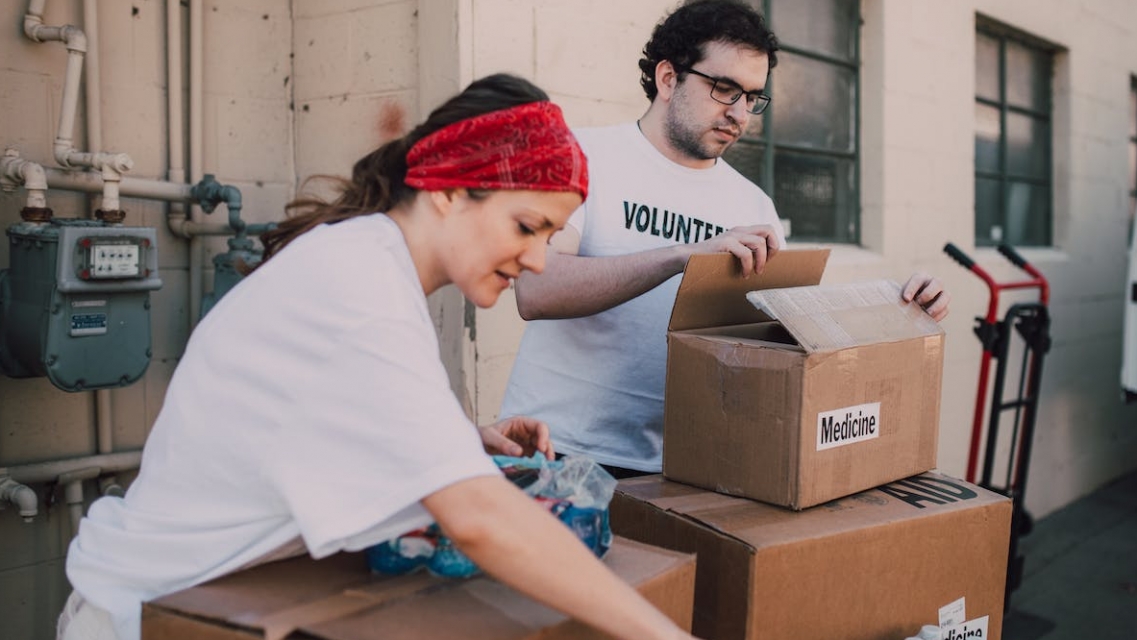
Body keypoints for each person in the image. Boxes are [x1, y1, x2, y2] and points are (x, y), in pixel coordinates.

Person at [60, 74, 695, 640]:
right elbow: (479, 521)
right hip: (149, 614)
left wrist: (455, 439)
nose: (536, 260)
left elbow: (307, 416)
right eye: (526, 226)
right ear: (447, 191)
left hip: (207, 599)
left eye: (551, 237)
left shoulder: (367, 260)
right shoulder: (360, 286)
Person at [500, 0, 950, 478]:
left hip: (677, 467)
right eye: (724, 89)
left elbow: (784, 339)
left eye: (752, 97)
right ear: (668, 78)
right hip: (553, 449)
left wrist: (899, 309)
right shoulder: (581, 155)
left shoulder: (753, 208)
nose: (740, 113)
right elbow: (536, 290)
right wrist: (682, 255)